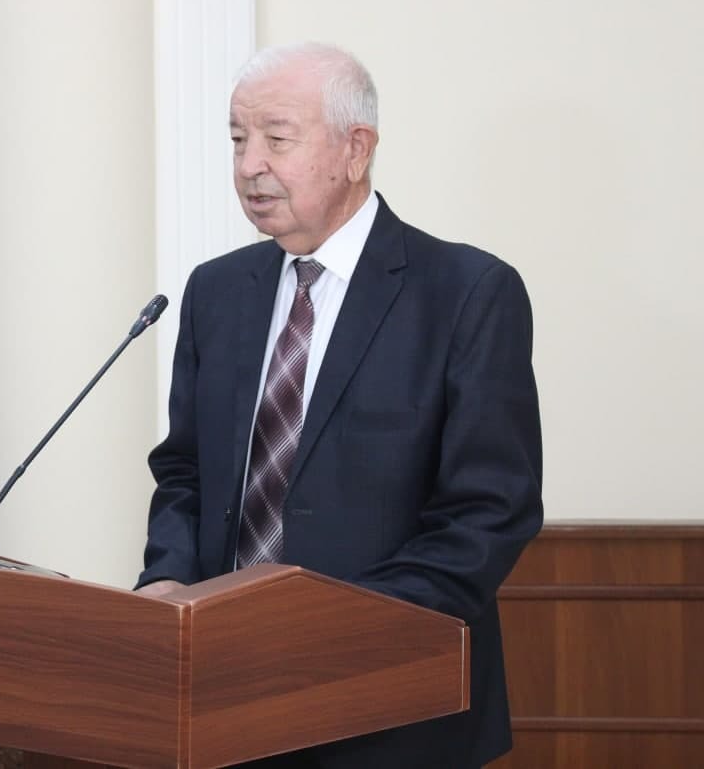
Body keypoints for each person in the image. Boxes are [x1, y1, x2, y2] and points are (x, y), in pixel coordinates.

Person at [136, 42, 543, 768]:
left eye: (276, 139)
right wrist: (167, 576)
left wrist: (332, 630)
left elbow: (490, 510)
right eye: (237, 139)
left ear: (356, 150)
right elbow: (186, 471)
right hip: (225, 695)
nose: (249, 165)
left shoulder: (466, 293)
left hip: (395, 710)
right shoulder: (216, 292)